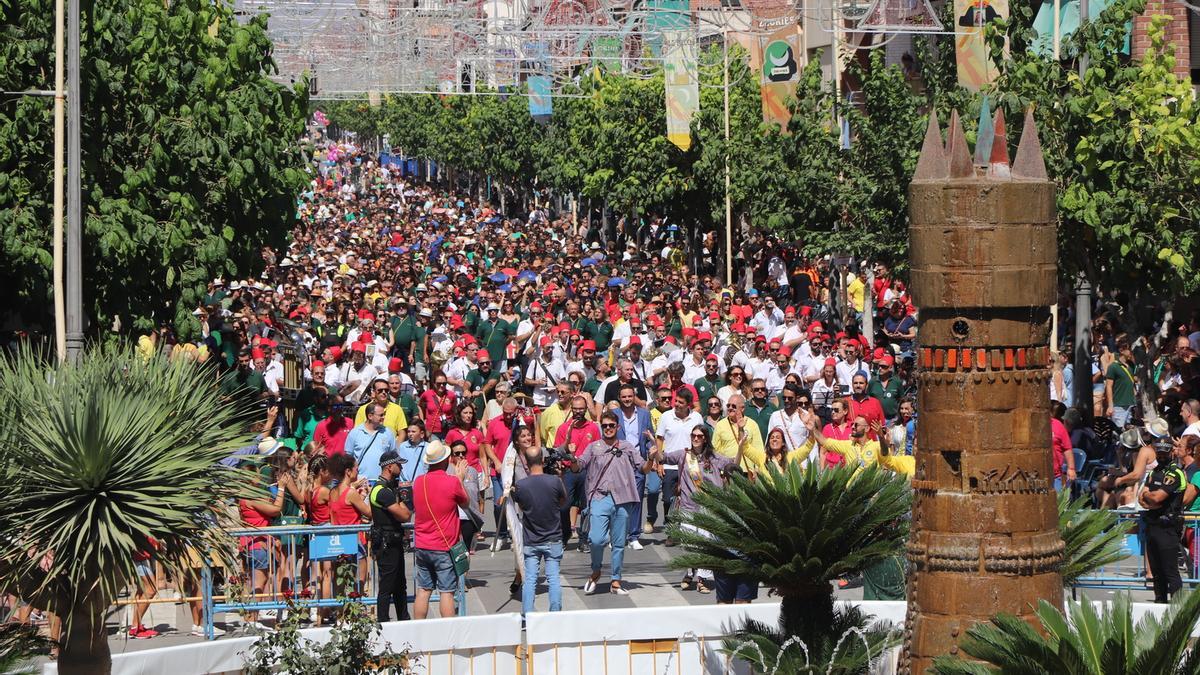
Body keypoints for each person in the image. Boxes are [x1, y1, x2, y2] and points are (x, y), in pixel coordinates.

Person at [645, 425, 744, 597]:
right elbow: (664, 458)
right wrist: (654, 444)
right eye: (694, 435)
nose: (696, 438)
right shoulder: (684, 455)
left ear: (705, 438)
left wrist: (741, 445)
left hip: (709, 507)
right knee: (689, 543)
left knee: (706, 543)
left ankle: (702, 579)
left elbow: (733, 464)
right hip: (688, 506)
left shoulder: (714, 457)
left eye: (699, 436)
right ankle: (690, 571)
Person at [573, 411, 642, 595]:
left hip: (622, 498)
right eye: (605, 426)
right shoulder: (594, 447)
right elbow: (578, 465)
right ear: (601, 427)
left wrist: (652, 458)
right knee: (596, 539)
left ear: (618, 427)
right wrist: (570, 457)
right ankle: (596, 570)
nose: (608, 429)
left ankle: (616, 580)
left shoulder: (627, 447)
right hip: (599, 498)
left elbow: (642, 467)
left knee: (619, 543)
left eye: (612, 425)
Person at [412, 440, 470, 619]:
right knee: (447, 592)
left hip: (422, 544)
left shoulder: (418, 481)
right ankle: (448, 634)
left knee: (423, 590)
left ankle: (418, 629)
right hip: (443, 545)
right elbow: (466, 502)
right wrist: (460, 479)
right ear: (445, 461)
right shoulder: (451, 482)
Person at [512, 441, 568, 613]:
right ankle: (555, 613)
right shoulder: (554, 481)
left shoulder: (521, 486)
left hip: (532, 539)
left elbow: (521, 507)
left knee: (530, 579)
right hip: (553, 538)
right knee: (553, 578)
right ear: (543, 460)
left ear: (527, 463)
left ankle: (527, 615)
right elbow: (563, 502)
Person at [1138, 438, 1187, 603]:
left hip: (1168, 528)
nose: (1161, 454)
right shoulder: (1153, 472)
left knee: (1170, 571)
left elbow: (1157, 498)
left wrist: (1150, 498)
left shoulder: (1175, 473)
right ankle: (1160, 602)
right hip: (1153, 525)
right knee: (1157, 572)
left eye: (1164, 451)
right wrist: (1149, 498)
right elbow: (1141, 498)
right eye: (1159, 451)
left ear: (1171, 452)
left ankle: (1179, 608)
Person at [653, 388, 703, 539]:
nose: (676, 404)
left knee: (691, 500)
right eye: (676, 401)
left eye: (681, 402)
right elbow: (659, 439)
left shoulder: (697, 418)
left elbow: (701, 438)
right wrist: (659, 462)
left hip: (691, 465)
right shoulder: (666, 416)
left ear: (688, 404)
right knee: (668, 499)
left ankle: (687, 530)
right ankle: (670, 529)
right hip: (669, 465)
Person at [369, 450, 414, 622]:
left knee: (399, 585)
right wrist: (406, 501)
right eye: (398, 464)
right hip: (387, 543)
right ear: (389, 467)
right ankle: (383, 623)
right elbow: (404, 516)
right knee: (388, 585)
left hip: (392, 541)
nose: (401, 467)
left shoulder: (387, 489)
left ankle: (403, 619)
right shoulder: (382, 491)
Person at [554, 395, 602, 549]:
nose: (578, 412)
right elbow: (557, 450)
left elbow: (598, 449)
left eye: (581, 409)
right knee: (563, 506)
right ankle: (566, 533)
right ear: (572, 409)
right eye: (575, 409)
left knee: (587, 507)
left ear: (586, 409)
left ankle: (584, 539)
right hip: (569, 471)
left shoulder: (593, 428)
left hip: (587, 471)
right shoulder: (563, 428)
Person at [613, 383, 655, 551]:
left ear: (634, 396)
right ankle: (618, 535)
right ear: (619, 398)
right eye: (624, 397)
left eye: (630, 396)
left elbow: (650, 435)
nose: (627, 399)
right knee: (618, 500)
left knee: (637, 499)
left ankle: (634, 535)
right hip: (619, 463)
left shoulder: (644, 414)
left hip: (638, 462)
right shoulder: (614, 415)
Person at [344, 402, 399, 483]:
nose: (383, 417)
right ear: (370, 416)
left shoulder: (388, 433)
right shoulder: (355, 433)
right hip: (361, 482)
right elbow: (348, 459)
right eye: (381, 415)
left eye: (384, 414)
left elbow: (393, 457)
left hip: (382, 482)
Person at [712, 394, 765, 473]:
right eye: (728, 405)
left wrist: (757, 470)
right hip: (728, 471)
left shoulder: (752, 424)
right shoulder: (720, 425)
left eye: (733, 406)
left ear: (742, 408)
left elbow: (759, 449)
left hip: (748, 472)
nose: (730, 408)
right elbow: (715, 450)